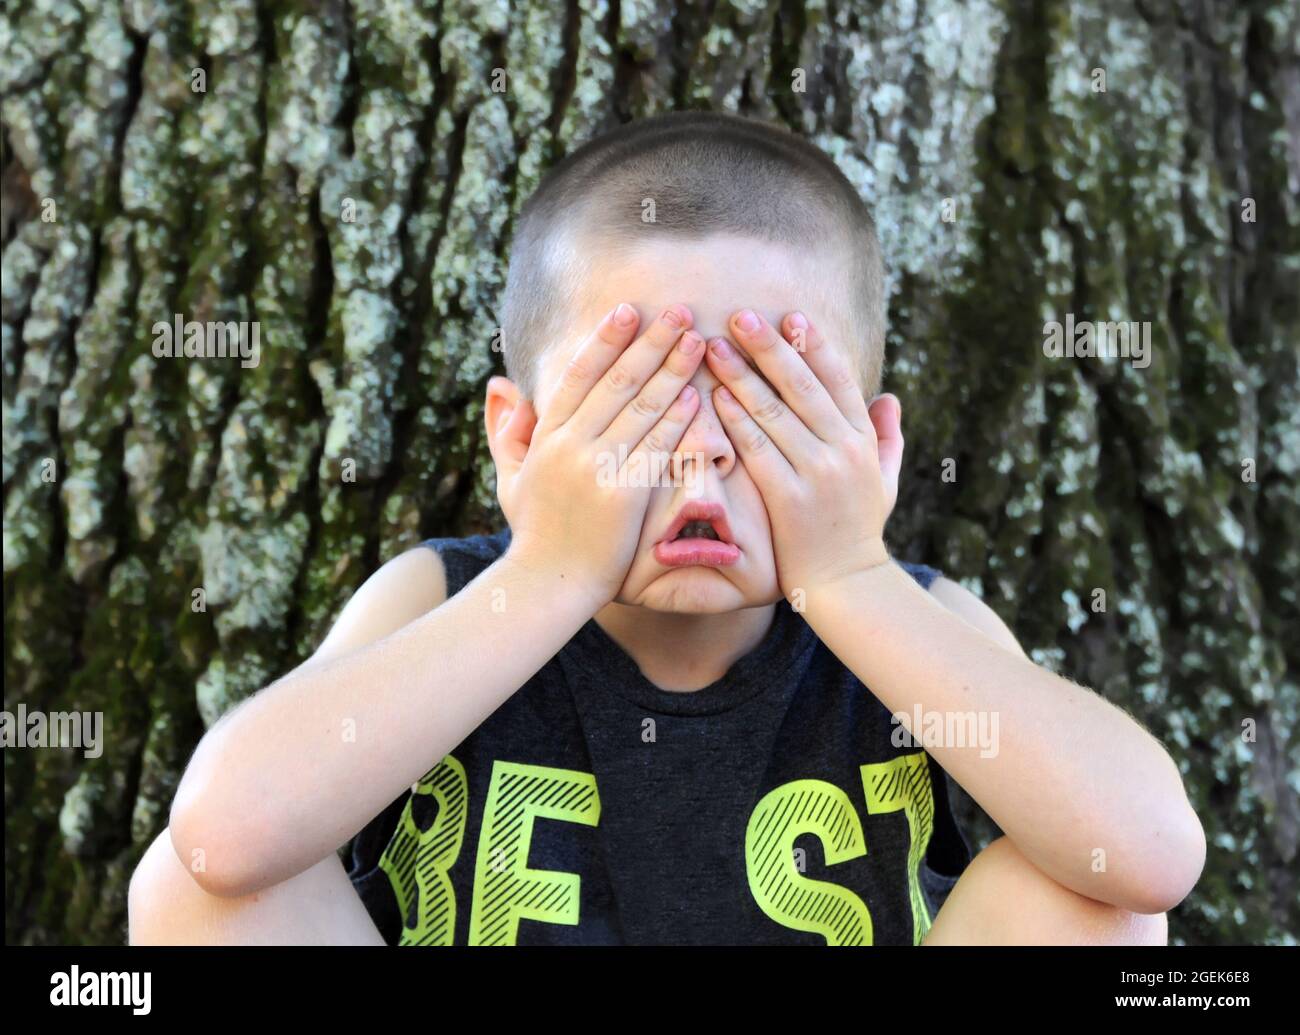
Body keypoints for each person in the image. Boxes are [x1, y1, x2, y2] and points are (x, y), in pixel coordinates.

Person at [129, 112, 1202, 945]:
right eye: (635, 403)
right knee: (192, 886)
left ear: (869, 452)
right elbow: (225, 840)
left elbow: (1146, 859)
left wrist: (848, 576)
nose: (699, 456)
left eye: (765, 408)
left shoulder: (915, 629)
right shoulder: (441, 602)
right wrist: (548, 572)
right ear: (520, 440)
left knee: (1085, 899)